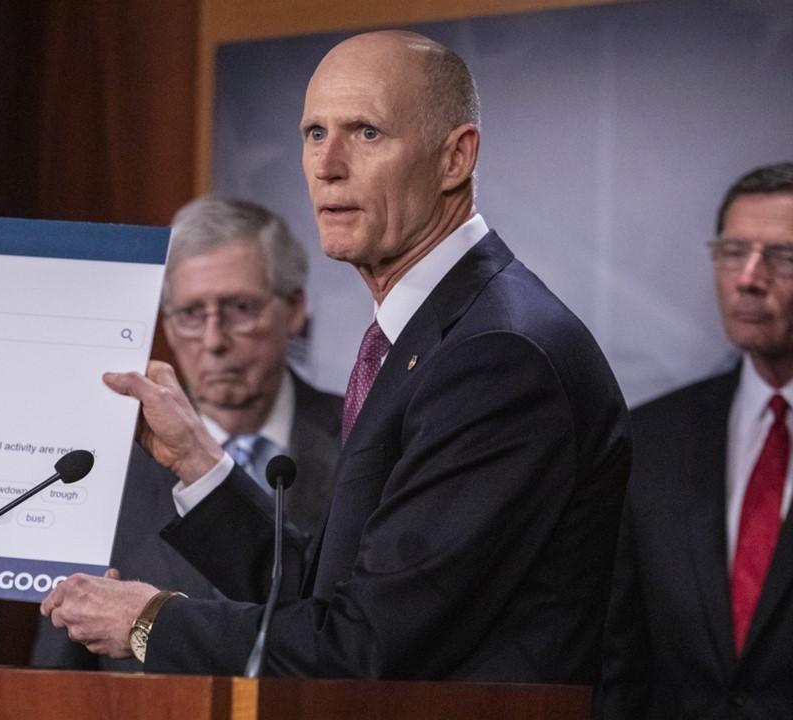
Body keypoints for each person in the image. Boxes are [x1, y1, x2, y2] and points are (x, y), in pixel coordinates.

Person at [41, 30, 629, 682]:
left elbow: (362, 648)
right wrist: (199, 463)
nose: (327, 165)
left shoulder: (497, 358)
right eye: (314, 133)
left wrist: (151, 620)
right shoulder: (426, 334)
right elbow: (321, 597)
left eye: (367, 133)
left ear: (456, 158)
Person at [31, 196, 342, 671]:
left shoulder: (362, 442)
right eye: (192, 314)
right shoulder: (100, 470)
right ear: (168, 327)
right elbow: (59, 673)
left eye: (240, 309)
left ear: (294, 308)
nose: (215, 341)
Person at [600, 163, 793, 718]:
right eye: (733, 252)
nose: (749, 278)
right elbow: (618, 662)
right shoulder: (653, 441)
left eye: (781, 257)